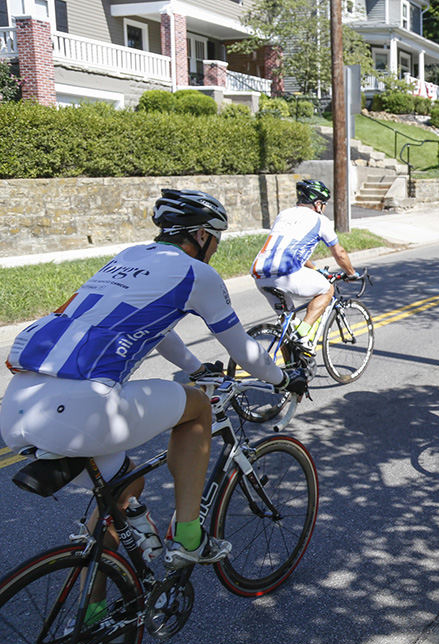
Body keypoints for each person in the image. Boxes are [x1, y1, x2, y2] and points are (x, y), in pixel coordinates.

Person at [1, 189, 308, 573]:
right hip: (83, 406)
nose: (214, 248)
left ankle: (96, 612)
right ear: (201, 235)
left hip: (17, 406)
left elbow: (157, 327)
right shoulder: (197, 273)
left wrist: (196, 367)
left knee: (124, 493)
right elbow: (244, 351)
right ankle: (189, 538)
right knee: (197, 408)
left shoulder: (129, 257)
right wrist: (283, 380)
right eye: (215, 239)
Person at [251, 179, 359, 352]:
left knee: (286, 326)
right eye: (324, 204)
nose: (324, 208)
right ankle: (305, 334)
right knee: (327, 289)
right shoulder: (320, 220)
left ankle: (290, 371)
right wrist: (352, 273)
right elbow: (339, 253)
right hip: (285, 274)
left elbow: (286, 247)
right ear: (317, 204)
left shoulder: (284, 215)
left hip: (259, 274)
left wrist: (315, 269)